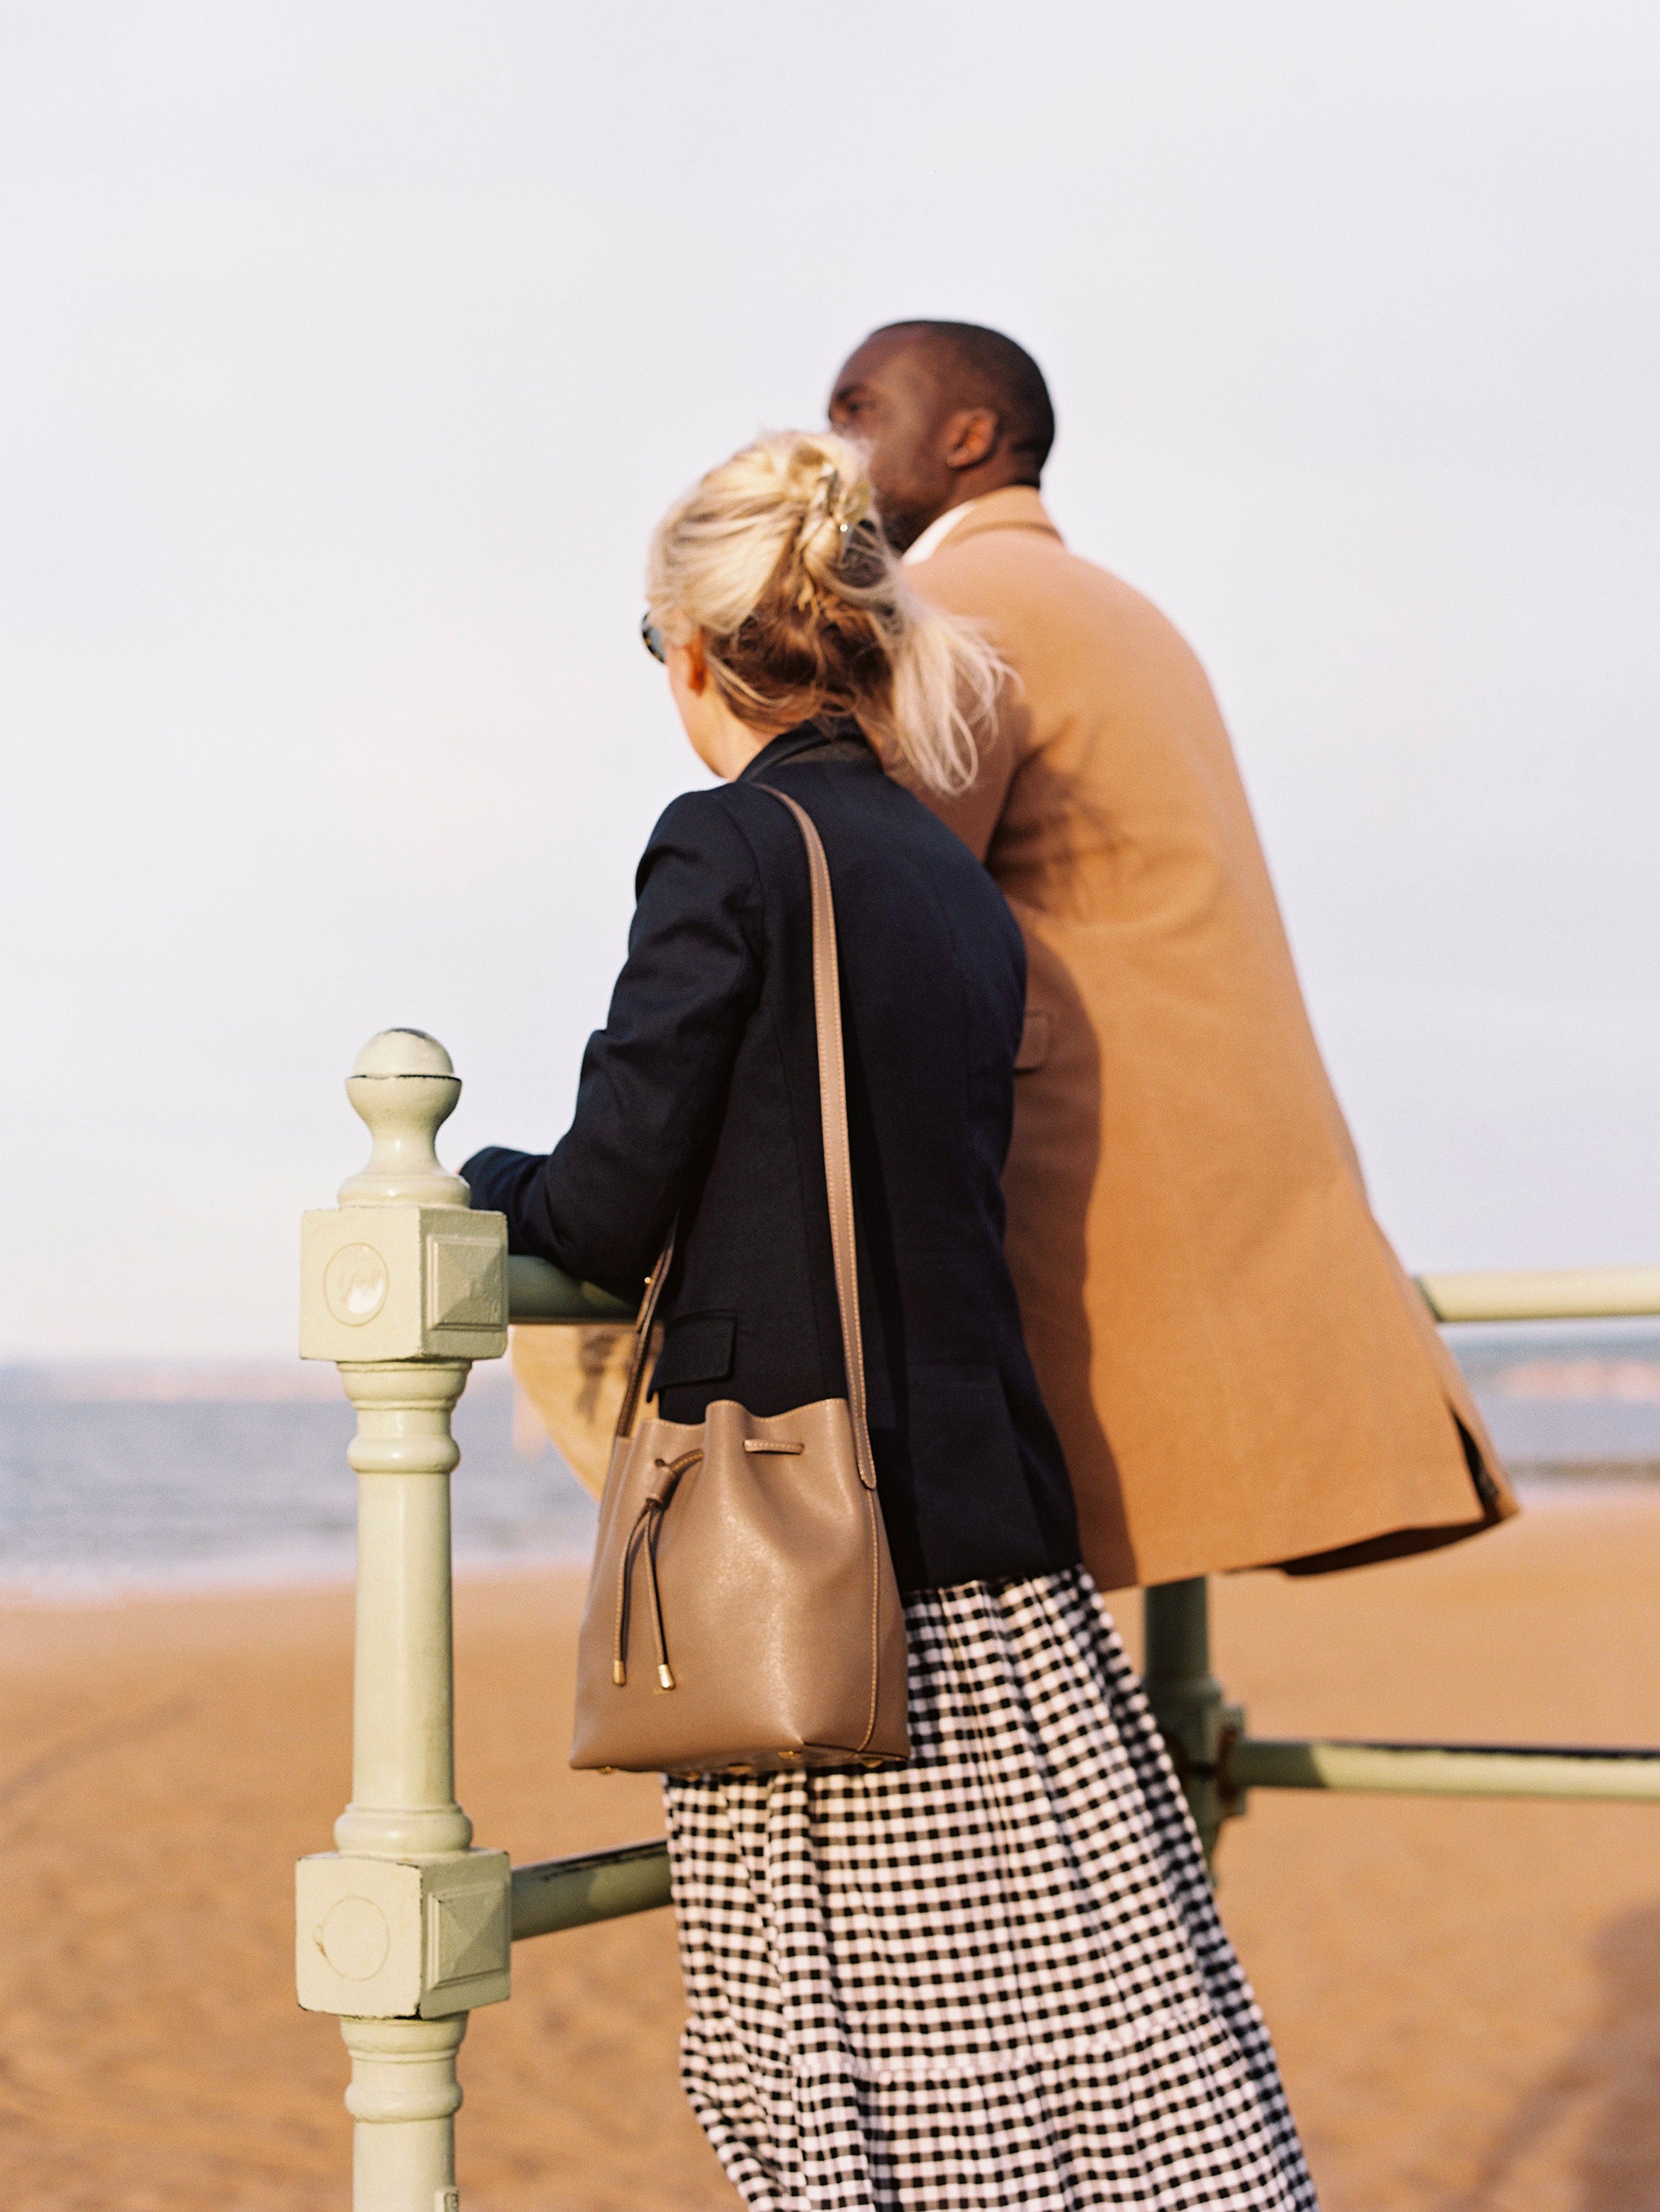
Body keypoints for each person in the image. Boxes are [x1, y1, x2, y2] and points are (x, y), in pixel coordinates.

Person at [465, 431, 1317, 2210]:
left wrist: (480, 1184)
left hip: (807, 1562)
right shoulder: (948, 878)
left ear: (700, 653)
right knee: (1073, 2063)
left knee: (842, 2090)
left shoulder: (725, 845)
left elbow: (607, 1203)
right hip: (997, 1555)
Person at [825, 320, 1516, 1589]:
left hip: (1083, 1161)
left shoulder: (958, 606)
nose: (834, 445)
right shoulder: (1116, 602)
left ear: (971, 435)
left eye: (860, 409)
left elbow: (885, 911)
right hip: (1219, 1152)